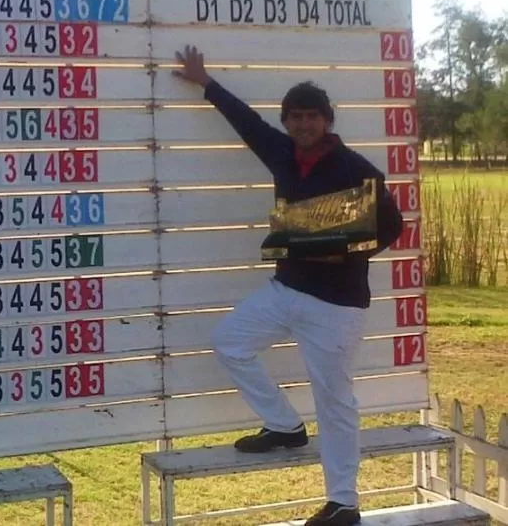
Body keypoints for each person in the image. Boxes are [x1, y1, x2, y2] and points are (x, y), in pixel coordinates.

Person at [172, 45, 405, 526]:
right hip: (286, 289)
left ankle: (344, 502)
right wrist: (206, 81)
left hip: (337, 304)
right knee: (229, 343)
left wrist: (346, 251)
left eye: (311, 118)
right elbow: (247, 122)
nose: (303, 125)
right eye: (295, 117)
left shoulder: (356, 168)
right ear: (288, 121)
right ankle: (284, 425)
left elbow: (393, 226)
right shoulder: (281, 152)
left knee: (334, 400)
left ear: (327, 120)